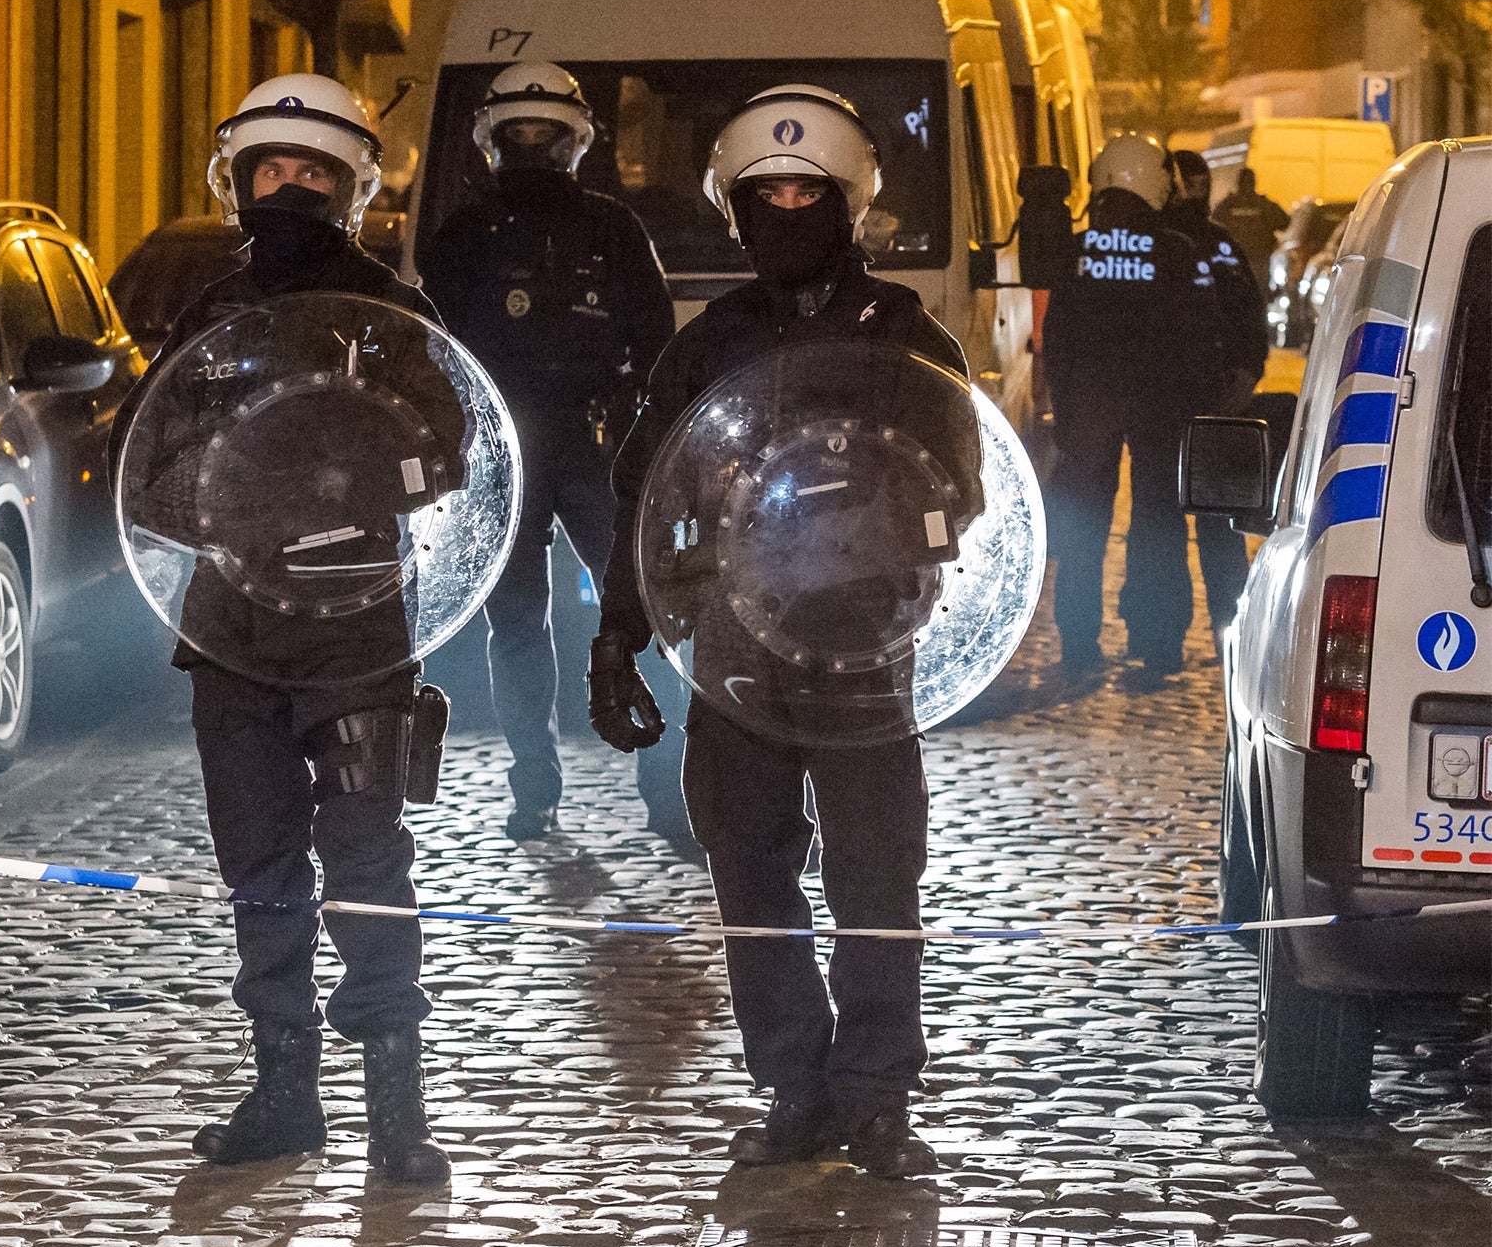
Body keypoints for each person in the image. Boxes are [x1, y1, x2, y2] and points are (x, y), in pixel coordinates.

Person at [588, 86, 974, 1177]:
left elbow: (963, 487)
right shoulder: (706, 346)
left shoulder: (905, 335)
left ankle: (875, 1095)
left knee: (874, 875)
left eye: (810, 191)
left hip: (861, 647)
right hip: (734, 652)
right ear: (737, 208)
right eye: (768, 193)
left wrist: (862, 526)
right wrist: (617, 631)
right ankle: (794, 1088)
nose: (789, 208)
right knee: (748, 873)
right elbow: (645, 499)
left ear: (849, 202)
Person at [120, 74, 453, 1185]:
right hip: (232, 633)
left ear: (351, 184)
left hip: (360, 630)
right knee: (258, 867)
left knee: (368, 862)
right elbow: (141, 468)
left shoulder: (394, 313)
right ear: (240, 178)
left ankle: (396, 1111)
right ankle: (282, 1092)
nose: (291, 188)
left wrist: (335, 467)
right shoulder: (209, 317)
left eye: (314, 171)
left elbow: (447, 452)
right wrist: (226, 497)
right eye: (273, 169)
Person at [422, 63, 683, 844]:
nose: (534, 149)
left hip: (577, 448)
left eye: (545, 135)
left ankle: (639, 783)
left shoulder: (597, 229)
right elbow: (436, 350)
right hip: (517, 452)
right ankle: (554, 781)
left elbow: (657, 344)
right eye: (522, 135)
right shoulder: (478, 235)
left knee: (629, 613)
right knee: (542, 622)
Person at [1042, 133, 1222, 690]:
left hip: (1090, 406)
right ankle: (1159, 639)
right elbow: (1200, 333)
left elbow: (1057, 336)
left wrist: (1065, 409)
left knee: (1083, 527)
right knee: (1158, 522)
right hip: (1159, 406)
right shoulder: (1176, 251)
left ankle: (1078, 640)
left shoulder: (1075, 253)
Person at [1166, 149, 1270, 635]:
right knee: (1216, 525)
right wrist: (1245, 376)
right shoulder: (1217, 243)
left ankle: (1162, 637)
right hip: (1213, 403)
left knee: (1164, 524)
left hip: (1172, 406)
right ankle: (1230, 626)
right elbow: (1251, 320)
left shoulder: (1163, 245)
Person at [1212, 165, 1289, 300]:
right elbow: (1284, 222)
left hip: (1232, 263)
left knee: (1232, 300)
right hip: (1257, 262)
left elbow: (1213, 227)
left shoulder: (1226, 205)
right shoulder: (1264, 205)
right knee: (1258, 299)